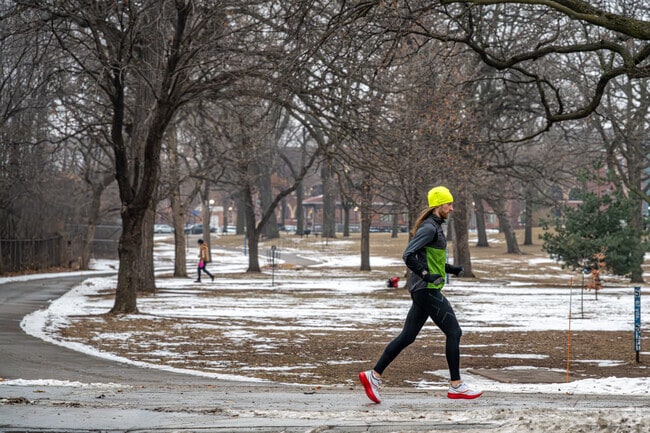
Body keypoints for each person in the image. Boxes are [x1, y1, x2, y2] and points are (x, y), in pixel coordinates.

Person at [359, 186, 482, 403]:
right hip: (426, 290)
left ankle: (374, 375)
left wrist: (450, 269)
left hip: (424, 290)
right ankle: (456, 385)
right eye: (449, 204)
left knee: (407, 336)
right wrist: (426, 276)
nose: (452, 209)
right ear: (438, 206)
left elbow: (430, 259)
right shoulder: (429, 228)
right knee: (454, 332)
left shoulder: (435, 227)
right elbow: (408, 255)